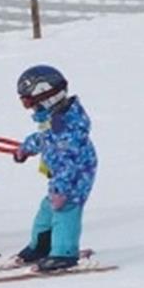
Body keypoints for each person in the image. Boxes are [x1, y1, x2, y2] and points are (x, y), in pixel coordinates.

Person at [10, 65, 97, 272]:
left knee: (66, 209)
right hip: (60, 177)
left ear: (46, 96)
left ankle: (64, 254)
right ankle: (40, 247)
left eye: (31, 103)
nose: (32, 109)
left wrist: (61, 189)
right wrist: (26, 148)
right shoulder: (54, 119)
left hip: (75, 177)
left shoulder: (66, 125)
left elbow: (69, 162)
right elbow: (44, 138)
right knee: (46, 211)